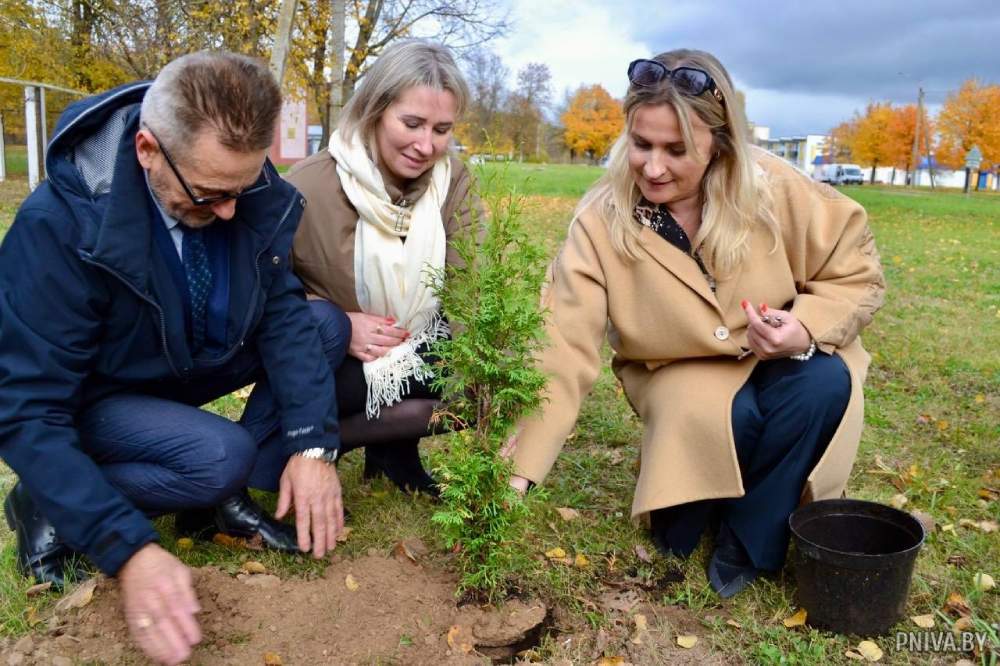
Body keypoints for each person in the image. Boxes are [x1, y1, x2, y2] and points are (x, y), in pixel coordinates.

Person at [0, 52, 348, 665]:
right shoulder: (59, 227)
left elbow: (283, 312)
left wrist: (312, 445)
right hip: (95, 395)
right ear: (147, 150)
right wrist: (127, 548)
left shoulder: (238, 185)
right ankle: (48, 501)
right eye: (211, 195)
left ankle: (216, 499)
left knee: (324, 327)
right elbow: (26, 409)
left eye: (241, 189)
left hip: (183, 357)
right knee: (222, 456)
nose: (231, 211)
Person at [506, 49, 885, 598]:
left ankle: (751, 539)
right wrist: (519, 470)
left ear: (720, 142)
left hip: (781, 360)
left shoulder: (776, 188)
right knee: (703, 474)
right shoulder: (600, 221)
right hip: (678, 374)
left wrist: (802, 329)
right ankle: (694, 504)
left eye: (676, 150)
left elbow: (858, 276)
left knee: (822, 385)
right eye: (642, 144)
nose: (653, 168)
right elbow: (562, 343)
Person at [283, 40, 477, 495]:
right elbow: (265, 289)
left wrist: (482, 367)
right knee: (335, 366)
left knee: (485, 386)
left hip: (420, 342)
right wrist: (339, 323)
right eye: (411, 123)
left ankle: (388, 450)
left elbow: (471, 280)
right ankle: (319, 443)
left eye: (442, 129)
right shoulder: (308, 185)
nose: (426, 145)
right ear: (374, 109)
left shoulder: (453, 181)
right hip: (336, 359)